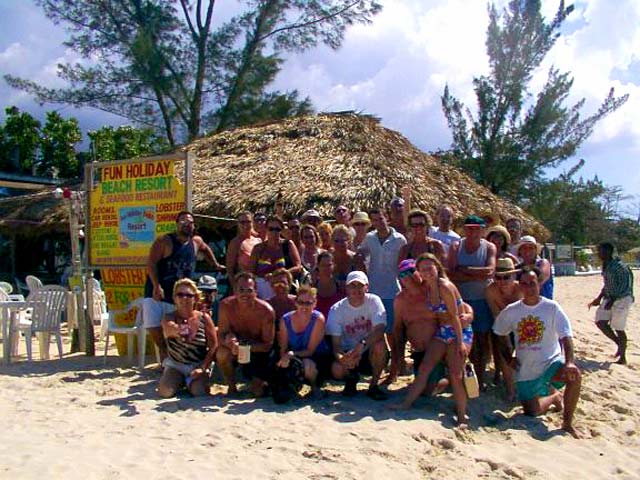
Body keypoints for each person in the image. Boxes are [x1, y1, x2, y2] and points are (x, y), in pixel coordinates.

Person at [493, 267, 583, 438]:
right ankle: (555, 397)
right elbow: (499, 332)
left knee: (575, 376)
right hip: (526, 369)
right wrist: (507, 357)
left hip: (551, 363)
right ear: (520, 286)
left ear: (539, 284)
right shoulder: (512, 310)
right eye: (525, 284)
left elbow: (566, 337)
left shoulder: (551, 307)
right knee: (532, 411)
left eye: (532, 283)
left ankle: (567, 423)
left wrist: (569, 362)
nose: (529, 287)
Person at [389, 254, 472, 426]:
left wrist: (460, 341)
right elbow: (398, 329)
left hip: (459, 331)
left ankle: (462, 416)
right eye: (422, 269)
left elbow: (456, 315)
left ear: (437, 266)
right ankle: (405, 404)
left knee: (456, 375)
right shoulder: (423, 288)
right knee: (425, 368)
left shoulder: (444, 286)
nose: (426, 272)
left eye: (429, 268)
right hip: (442, 332)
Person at [144, 211, 223, 361]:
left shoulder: (196, 242)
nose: (187, 224)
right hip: (157, 291)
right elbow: (151, 263)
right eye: (183, 221)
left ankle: (175, 358)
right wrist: (156, 285)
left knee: (179, 326)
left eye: (190, 222)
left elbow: (206, 249)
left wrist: (216, 265)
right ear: (177, 224)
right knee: (153, 325)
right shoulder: (165, 241)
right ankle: (165, 353)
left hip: (180, 295)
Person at [448, 214, 497, 388]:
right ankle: (459, 377)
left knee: (482, 340)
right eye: (469, 228)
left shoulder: (489, 247)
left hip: (482, 300)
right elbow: (451, 273)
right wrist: (476, 274)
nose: (473, 232)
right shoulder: (456, 246)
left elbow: (490, 271)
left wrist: (465, 271)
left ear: (483, 230)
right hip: (461, 301)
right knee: (459, 340)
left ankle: (480, 376)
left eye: (476, 229)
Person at [327, 271, 389, 400]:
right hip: (348, 352)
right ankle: (351, 379)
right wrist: (343, 358)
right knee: (337, 369)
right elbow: (336, 346)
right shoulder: (336, 309)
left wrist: (361, 347)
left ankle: (373, 385)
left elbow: (380, 329)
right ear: (346, 288)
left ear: (367, 287)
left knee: (380, 345)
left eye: (360, 285)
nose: (356, 289)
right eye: (352, 285)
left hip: (367, 349)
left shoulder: (374, 301)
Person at [216, 272, 276, 396]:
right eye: (241, 290)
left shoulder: (266, 311)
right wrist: (229, 341)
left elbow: (267, 345)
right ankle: (231, 387)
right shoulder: (226, 306)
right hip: (236, 349)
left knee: (258, 392)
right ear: (235, 290)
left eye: (249, 290)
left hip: (258, 352)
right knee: (222, 353)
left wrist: (244, 347)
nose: (244, 294)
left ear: (255, 291)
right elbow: (220, 335)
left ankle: (262, 382)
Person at [158, 279, 218, 398]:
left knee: (199, 392)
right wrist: (179, 329)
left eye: (189, 295)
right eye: (180, 295)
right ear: (174, 298)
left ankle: (194, 381)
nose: (184, 298)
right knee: (165, 392)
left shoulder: (204, 318)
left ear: (195, 298)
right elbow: (170, 328)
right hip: (176, 364)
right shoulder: (168, 317)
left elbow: (213, 345)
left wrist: (203, 368)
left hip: (198, 363)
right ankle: (179, 380)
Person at [356, 208, 407, 338]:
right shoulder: (369, 238)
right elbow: (360, 254)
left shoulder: (400, 239)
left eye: (381, 218)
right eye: (375, 220)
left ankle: (396, 357)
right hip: (373, 290)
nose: (379, 222)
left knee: (393, 331)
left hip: (393, 290)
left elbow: (404, 265)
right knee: (376, 330)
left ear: (387, 218)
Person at [275, 285, 332, 401]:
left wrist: (291, 354)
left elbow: (310, 351)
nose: (304, 306)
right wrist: (283, 360)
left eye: (308, 303)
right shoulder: (285, 320)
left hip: (317, 357)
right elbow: (283, 347)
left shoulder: (318, 319)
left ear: (315, 303)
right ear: (295, 302)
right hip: (295, 356)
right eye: (301, 302)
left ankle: (315, 388)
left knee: (307, 364)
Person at [589, 242, 635, 365]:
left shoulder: (620, 266)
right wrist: (599, 298)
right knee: (600, 321)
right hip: (610, 298)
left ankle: (623, 357)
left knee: (618, 327)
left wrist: (613, 300)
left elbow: (625, 286)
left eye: (602, 251)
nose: (599, 254)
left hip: (623, 299)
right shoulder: (606, 265)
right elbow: (608, 284)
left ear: (609, 252)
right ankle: (619, 344)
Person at [485, 258, 522, 399]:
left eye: (506, 277)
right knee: (504, 354)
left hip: (523, 327)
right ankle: (510, 390)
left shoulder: (521, 289)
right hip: (502, 324)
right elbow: (496, 316)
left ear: (513, 276)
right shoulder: (490, 291)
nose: (502, 281)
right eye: (498, 277)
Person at [249, 216, 301, 300]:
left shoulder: (288, 244)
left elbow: (298, 266)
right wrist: (263, 277)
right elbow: (250, 272)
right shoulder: (258, 248)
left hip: (284, 289)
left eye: (277, 229)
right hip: (263, 292)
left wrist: (279, 275)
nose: (274, 232)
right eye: (271, 229)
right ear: (266, 229)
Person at [225, 211, 262, 290]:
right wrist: (235, 287)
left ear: (252, 223)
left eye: (248, 222)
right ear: (238, 224)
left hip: (260, 282)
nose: (245, 225)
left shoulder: (258, 240)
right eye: (242, 222)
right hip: (244, 285)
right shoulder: (235, 243)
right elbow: (230, 268)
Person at [313, 251, 346, 319]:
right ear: (318, 266)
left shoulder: (342, 287)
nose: (326, 268)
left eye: (329, 265)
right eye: (323, 265)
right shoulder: (312, 289)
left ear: (334, 266)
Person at [267, 268, 297, 334]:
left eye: (283, 283)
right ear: (272, 286)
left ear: (289, 285)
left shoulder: (298, 303)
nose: (280, 286)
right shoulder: (267, 305)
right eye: (276, 283)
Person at [331, 224, 357, 288]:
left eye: (343, 241)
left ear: (349, 241)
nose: (339, 243)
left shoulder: (356, 259)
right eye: (336, 241)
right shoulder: (327, 258)